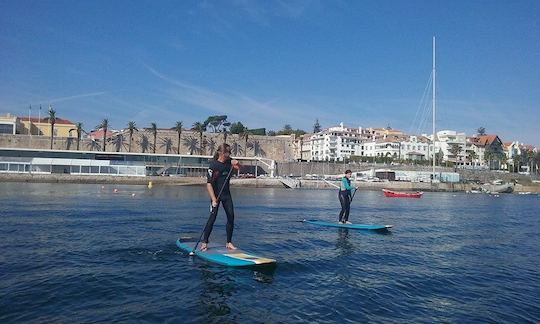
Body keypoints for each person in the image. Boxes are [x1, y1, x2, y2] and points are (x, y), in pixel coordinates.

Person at [200, 143, 240, 251]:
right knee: (212, 218)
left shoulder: (229, 161)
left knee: (231, 217)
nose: (229, 154)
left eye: (230, 152)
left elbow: (238, 167)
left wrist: (237, 163)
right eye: (227, 152)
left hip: (226, 195)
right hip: (216, 196)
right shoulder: (213, 165)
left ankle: (229, 242)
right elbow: (209, 184)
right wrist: (213, 200)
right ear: (221, 153)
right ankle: (204, 242)